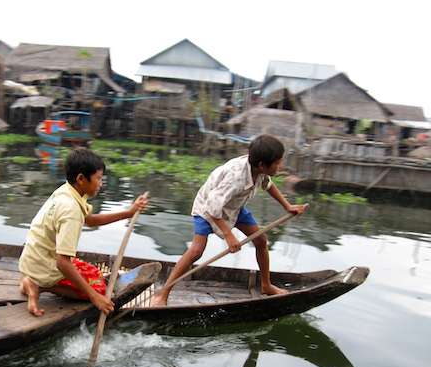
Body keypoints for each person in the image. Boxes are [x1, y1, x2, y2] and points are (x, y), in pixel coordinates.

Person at [151, 134, 307, 306]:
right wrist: (228, 235)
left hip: (233, 207)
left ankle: (266, 285)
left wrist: (287, 206)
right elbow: (212, 207)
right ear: (262, 165)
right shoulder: (236, 178)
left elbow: (268, 185)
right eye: (277, 163)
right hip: (207, 208)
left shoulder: (259, 170)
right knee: (196, 251)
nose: (280, 166)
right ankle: (163, 293)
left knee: (261, 241)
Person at [19, 148, 149, 317]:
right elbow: (62, 263)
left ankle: (33, 280)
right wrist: (95, 298)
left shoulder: (68, 191)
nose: (101, 183)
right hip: (45, 266)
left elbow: (90, 220)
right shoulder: (70, 210)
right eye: (98, 179)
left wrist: (129, 213)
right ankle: (40, 284)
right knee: (100, 290)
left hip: (36, 258)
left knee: (95, 274)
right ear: (81, 179)